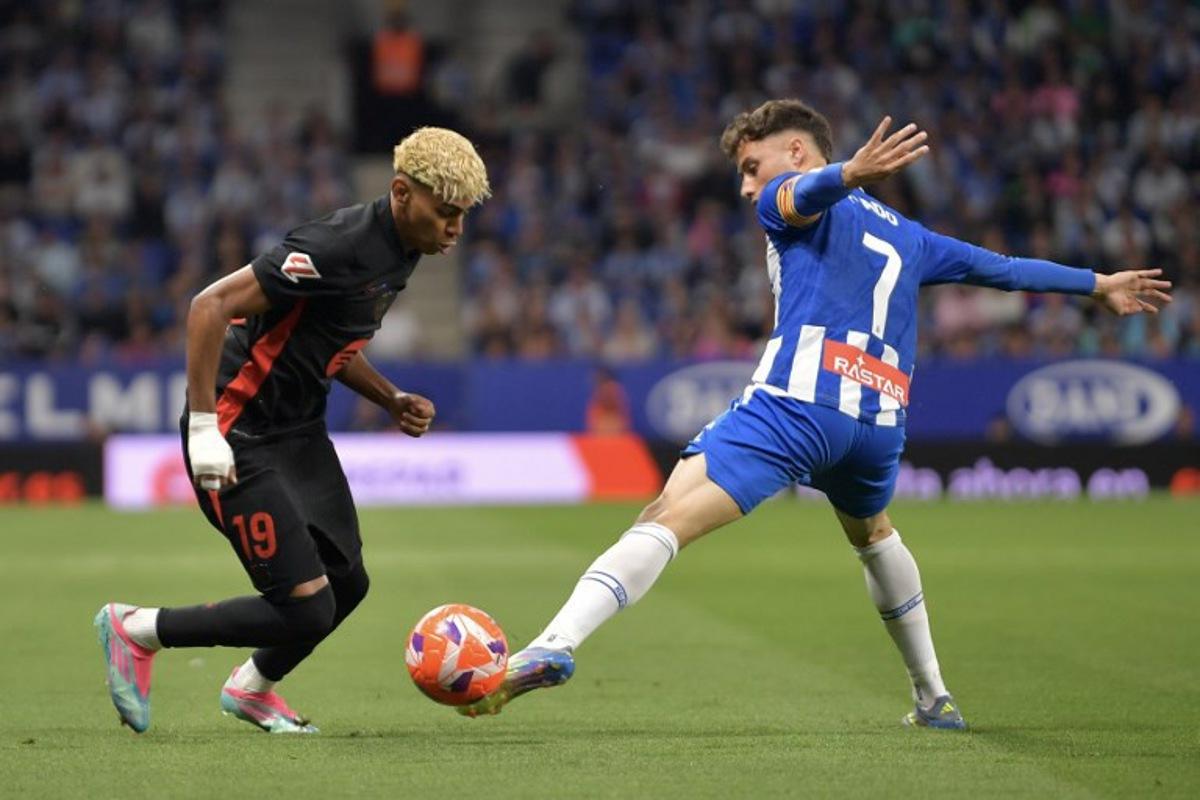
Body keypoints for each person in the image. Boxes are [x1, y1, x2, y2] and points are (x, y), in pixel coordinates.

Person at [460, 99, 1172, 729]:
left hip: (800, 403)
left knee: (665, 516)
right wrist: (1097, 283)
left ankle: (555, 644)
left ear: (796, 152)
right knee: (874, 534)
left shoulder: (788, 200)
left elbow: (801, 195)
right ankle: (934, 696)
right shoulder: (913, 237)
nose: (747, 187)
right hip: (879, 424)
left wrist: (848, 174)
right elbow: (1005, 270)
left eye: (752, 166)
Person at [94, 127, 491, 734]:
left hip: (299, 430)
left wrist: (389, 398)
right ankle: (137, 629)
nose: (455, 230)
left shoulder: (406, 248)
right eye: (446, 213)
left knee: (348, 583)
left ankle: (252, 689)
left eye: (462, 216)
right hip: (238, 430)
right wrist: (204, 428)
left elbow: (329, 340)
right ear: (401, 193)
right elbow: (209, 306)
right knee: (306, 609)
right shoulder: (334, 246)